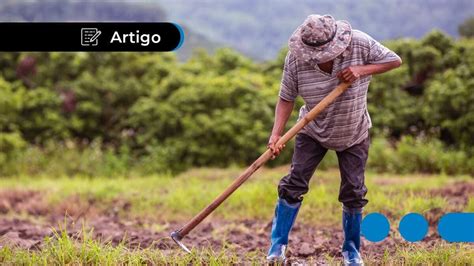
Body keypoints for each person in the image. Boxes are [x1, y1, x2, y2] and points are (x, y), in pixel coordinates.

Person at [266, 14, 402, 265]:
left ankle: (351, 251)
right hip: (312, 129)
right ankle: (277, 248)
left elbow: (394, 60)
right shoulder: (296, 58)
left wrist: (361, 70)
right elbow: (286, 97)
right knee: (293, 184)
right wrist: (276, 134)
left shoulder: (359, 43)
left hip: (354, 130)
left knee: (353, 191)